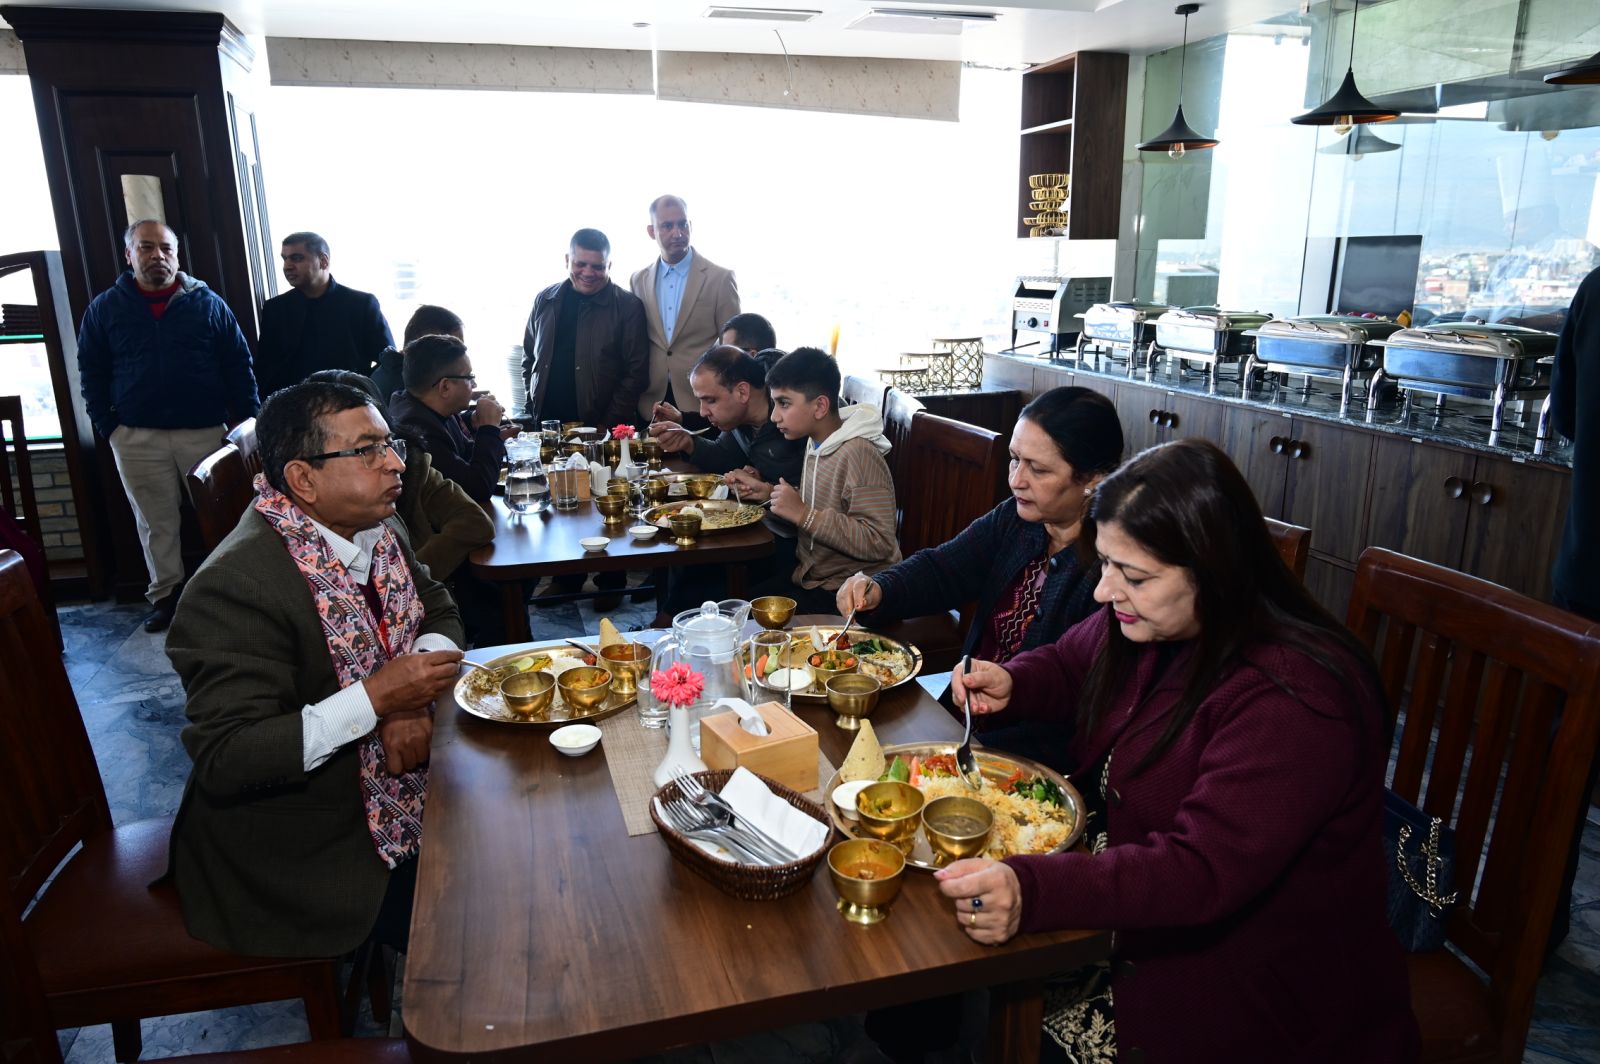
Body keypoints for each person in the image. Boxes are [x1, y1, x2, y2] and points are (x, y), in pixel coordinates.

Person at [934, 439, 1418, 1063]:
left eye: (1133, 576)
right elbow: (1072, 663)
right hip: (1141, 899)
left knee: (994, 990)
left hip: (1250, 982)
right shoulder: (1156, 620)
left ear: (1213, 572)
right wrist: (1016, 681)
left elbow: (1199, 870)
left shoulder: (1294, 698)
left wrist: (1036, 890)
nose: (1105, 592)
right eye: (1105, 563)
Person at [164, 381, 465, 957]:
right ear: (303, 479)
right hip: (306, 844)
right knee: (488, 917)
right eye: (368, 450)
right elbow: (229, 757)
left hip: (406, 779)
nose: (395, 463)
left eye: (390, 444)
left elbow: (439, 607)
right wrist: (377, 699)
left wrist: (404, 700)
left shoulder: (376, 523)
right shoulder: (234, 586)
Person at [837, 386, 1124, 740]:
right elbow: (944, 569)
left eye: (1038, 469)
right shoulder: (1017, 520)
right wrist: (881, 588)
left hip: (1027, 745)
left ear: (1093, 479)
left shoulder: (1113, 569)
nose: (1016, 480)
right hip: (963, 717)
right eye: (1015, 459)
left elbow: (1078, 697)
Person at [76, 219, 259, 633]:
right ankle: (166, 599)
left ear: (177, 255)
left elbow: (238, 364)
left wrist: (247, 422)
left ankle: (236, 594)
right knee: (155, 522)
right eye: (146, 247)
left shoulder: (207, 303)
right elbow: (91, 371)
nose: (157, 255)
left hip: (206, 434)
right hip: (136, 437)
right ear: (129, 255)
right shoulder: (105, 308)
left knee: (227, 517)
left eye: (165, 248)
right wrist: (110, 427)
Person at [310, 369, 502, 647]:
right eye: (365, 449)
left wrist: (403, 579)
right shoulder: (283, 543)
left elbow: (473, 522)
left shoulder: (408, 461)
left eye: (384, 443)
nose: (394, 464)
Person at [649, 345, 806, 620]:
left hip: (795, 544)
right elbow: (725, 455)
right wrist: (689, 441)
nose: (702, 411)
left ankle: (674, 624)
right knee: (686, 545)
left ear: (743, 392)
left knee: (703, 562)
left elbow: (816, 494)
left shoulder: (794, 419)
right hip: (766, 523)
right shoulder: (742, 421)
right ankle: (669, 620)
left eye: (710, 400)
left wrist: (767, 487)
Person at [747, 347, 899, 613]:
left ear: (819, 406)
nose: (774, 416)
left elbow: (880, 541)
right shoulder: (816, 441)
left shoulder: (859, 454)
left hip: (853, 594)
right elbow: (825, 505)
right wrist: (769, 493)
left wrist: (804, 515)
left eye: (784, 403)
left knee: (751, 618)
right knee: (743, 602)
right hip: (814, 579)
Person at [521, 227, 649, 428]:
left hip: (602, 431)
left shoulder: (628, 307)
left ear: (609, 265)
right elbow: (529, 359)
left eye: (598, 267)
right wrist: (532, 406)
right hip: (546, 427)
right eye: (580, 264)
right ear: (567, 260)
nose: (588, 273)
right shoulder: (545, 299)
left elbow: (636, 375)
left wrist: (604, 428)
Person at [630, 195, 740, 424]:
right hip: (649, 401)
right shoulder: (638, 280)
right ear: (651, 231)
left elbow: (733, 349)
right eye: (667, 226)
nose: (677, 233)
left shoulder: (720, 278)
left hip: (701, 402)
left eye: (682, 224)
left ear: (690, 225)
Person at [255, 232, 394, 395]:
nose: (287, 266)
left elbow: (388, 361)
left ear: (323, 260)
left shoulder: (361, 304)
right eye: (284, 259)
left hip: (350, 401)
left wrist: (362, 390)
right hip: (294, 404)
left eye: (297, 258)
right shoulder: (275, 309)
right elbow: (265, 368)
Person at [389, 334, 513, 505]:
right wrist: (488, 429)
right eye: (469, 377)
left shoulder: (434, 409)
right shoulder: (418, 430)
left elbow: (463, 457)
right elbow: (478, 489)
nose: (474, 385)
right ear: (445, 386)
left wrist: (495, 437)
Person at [372, 304, 463, 402]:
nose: (462, 356)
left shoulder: (392, 368)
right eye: (455, 351)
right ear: (427, 347)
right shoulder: (410, 388)